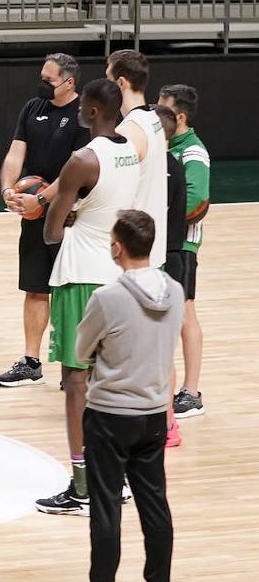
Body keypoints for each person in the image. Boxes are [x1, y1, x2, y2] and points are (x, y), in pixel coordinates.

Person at [54, 210, 182, 582]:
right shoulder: (176, 291)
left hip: (110, 414)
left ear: (118, 247)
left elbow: (81, 348)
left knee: (106, 507)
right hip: (153, 415)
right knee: (155, 504)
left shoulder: (107, 298)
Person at [36, 79, 141, 517]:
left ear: (94, 110)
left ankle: (82, 485)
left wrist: (62, 210)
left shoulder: (81, 159)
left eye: (85, 106)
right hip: (118, 273)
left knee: (76, 383)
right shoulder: (130, 153)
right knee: (109, 380)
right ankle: (114, 478)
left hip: (81, 275)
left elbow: (51, 231)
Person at [0, 53, 91, 387]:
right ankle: (31, 361)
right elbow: (15, 152)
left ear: (69, 82)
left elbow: (73, 172)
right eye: (42, 76)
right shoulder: (31, 108)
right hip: (34, 214)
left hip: (70, 217)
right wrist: (9, 190)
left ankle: (74, 365)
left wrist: (40, 198)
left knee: (69, 291)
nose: (42, 84)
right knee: (35, 288)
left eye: (48, 80)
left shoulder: (84, 117)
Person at [157, 84, 209, 420]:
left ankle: (190, 392)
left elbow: (197, 201)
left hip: (182, 244)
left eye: (163, 109)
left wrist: (162, 221)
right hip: (162, 242)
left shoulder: (193, 153)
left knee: (185, 314)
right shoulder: (166, 146)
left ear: (180, 116)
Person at [107, 50, 168, 270]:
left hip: (132, 255)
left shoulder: (128, 131)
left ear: (121, 83)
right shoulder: (155, 120)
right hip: (153, 248)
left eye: (108, 79)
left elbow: (114, 190)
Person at [152, 105, 186, 449]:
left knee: (162, 352)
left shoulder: (163, 169)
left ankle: (167, 423)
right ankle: (165, 421)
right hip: (167, 262)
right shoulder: (168, 165)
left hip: (165, 263)